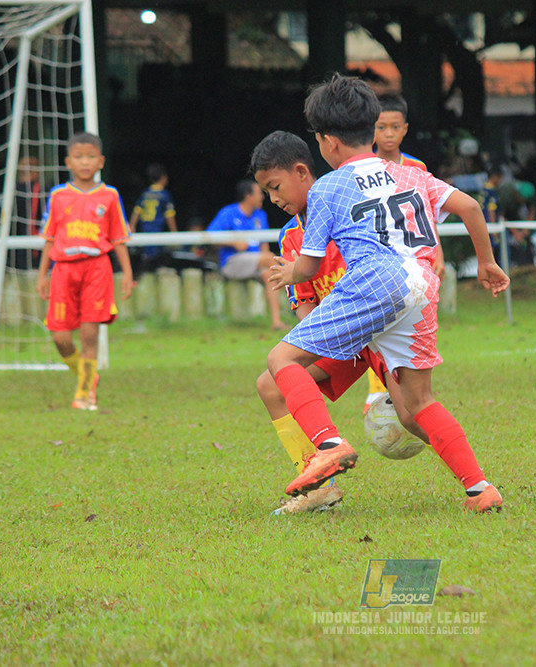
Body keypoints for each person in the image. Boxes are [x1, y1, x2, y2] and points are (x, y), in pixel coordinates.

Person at [266, 73, 510, 513]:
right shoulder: (407, 173)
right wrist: (488, 263)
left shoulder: (328, 187)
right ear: (371, 127)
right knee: (418, 403)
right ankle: (480, 490)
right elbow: (471, 208)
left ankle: (329, 445)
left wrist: (289, 272)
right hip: (422, 285)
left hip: (375, 282)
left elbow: (311, 265)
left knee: (281, 361)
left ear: (328, 143)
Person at [251, 130, 429, 515]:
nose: (274, 199)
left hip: (382, 332)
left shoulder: (351, 211)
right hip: (340, 340)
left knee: (413, 415)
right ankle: (320, 486)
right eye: (266, 191)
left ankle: (471, 475)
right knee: (271, 384)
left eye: (276, 187)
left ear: (302, 171)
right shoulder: (290, 238)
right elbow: (305, 309)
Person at [36, 132, 133, 411]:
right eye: (79, 157)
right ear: (68, 161)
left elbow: (118, 239)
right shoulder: (58, 195)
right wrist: (42, 274)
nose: (85, 162)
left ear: (100, 160)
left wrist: (127, 273)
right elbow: (50, 238)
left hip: (97, 269)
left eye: (90, 156)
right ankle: (87, 376)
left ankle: (85, 394)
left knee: (89, 334)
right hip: (63, 269)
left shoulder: (110, 195)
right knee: (60, 337)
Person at [367, 92, 446, 412]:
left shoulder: (417, 167)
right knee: (377, 326)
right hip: (380, 261)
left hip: (415, 262)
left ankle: (413, 384)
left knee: (413, 324)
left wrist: (437, 252)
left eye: (394, 127)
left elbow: (427, 213)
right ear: (371, 129)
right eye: (381, 127)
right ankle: (378, 388)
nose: (388, 133)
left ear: (405, 129)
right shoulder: (363, 168)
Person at [207, 180, 288, 331]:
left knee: (269, 274)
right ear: (247, 196)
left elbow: (264, 244)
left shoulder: (260, 215)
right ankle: (294, 290)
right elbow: (210, 236)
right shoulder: (229, 212)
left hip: (258, 261)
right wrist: (233, 242)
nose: (262, 197)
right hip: (233, 262)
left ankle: (276, 321)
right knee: (270, 259)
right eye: (259, 193)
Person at [130, 162, 177, 275]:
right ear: (164, 178)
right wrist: (174, 232)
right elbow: (169, 215)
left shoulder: (145, 194)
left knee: (146, 255)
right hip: (157, 229)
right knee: (156, 257)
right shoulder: (165, 195)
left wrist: (132, 226)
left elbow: (137, 211)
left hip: (145, 228)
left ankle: (145, 271)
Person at [10, 154, 42, 271]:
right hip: (17, 245)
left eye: (30, 167)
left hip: (37, 244)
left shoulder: (43, 191)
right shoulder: (14, 191)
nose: (26, 171)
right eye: (23, 168)